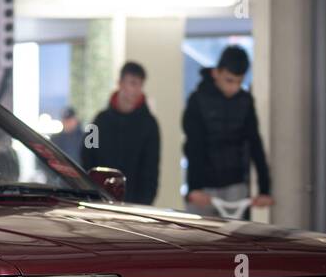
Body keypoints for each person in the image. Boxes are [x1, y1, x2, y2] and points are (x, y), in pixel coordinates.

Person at [182, 45, 273, 219]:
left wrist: (264, 190)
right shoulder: (197, 100)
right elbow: (194, 146)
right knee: (199, 239)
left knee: (234, 242)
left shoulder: (245, 101)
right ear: (216, 73)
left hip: (236, 187)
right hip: (204, 187)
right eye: (229, 80)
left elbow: (255, 143)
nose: (234, 88)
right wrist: (194, 188)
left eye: (239, 82)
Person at [82, 62, 160, 204]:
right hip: (100, 202)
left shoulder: (149, 124)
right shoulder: (99, 121)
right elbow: (86, 156)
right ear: (120, 83)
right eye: (132, 83)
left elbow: (151, 170)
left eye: (140, 85)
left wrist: (145, 203)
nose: (137, 90)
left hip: (135, 205)